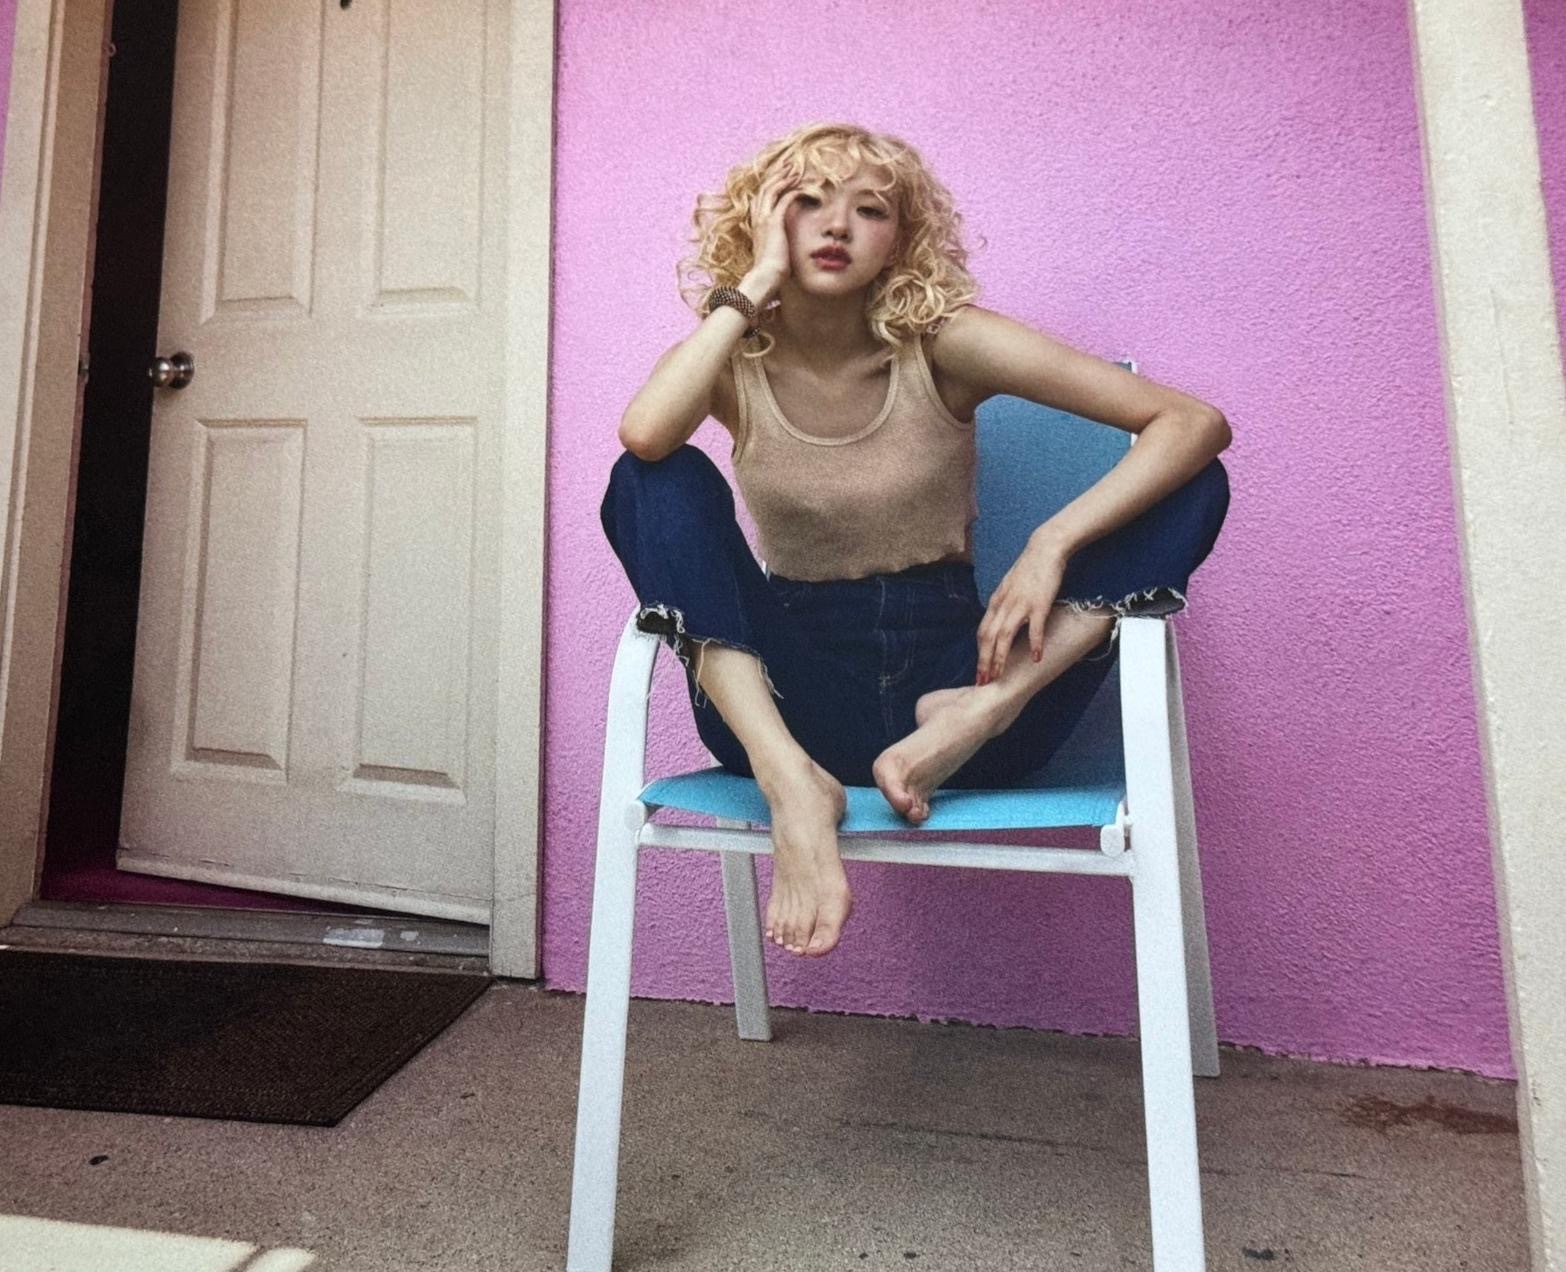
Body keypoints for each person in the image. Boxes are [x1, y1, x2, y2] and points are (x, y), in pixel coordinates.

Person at [601, 122, 1231, 962]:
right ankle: (793, 787)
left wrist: (1050, 542)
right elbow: (645, 435)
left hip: (968, 688)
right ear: (763, 218)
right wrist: (753, 282)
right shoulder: (732, 359)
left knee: (1193, 480)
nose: (837, 226)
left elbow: (1192, 424)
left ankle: (981, 713)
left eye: (870, 210)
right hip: (788, 702)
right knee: (651, 479)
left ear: (901, 238)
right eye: (807, 202)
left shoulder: (942, 342)